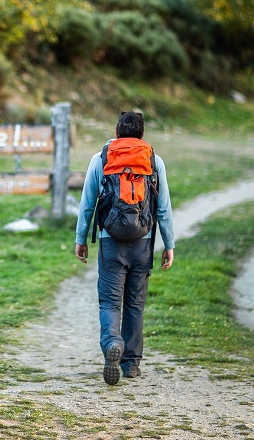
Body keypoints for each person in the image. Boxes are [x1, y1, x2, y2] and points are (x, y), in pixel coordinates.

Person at [74, 111, 175, 385]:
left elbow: (87, 204)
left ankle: (111, 344)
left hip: (110, 241)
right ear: (142, 135)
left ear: (117, 133)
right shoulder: (154, 161)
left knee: (109, 301)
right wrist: (169, 244)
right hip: (143, 242)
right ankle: (131, 364)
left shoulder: (102, 158)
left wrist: (81, 239)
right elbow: (163, 208)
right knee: (135, 304)